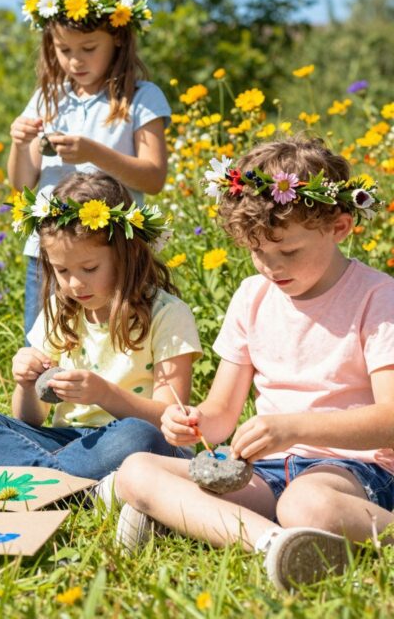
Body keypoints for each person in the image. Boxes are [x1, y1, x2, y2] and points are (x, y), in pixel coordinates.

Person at [112, 138, 392, 592]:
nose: (270, 267)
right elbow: (222, 412)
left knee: (307, 504)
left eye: (289, 252)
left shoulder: (378, 298)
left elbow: (390, 421)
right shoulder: (252, 296)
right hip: (265, 469)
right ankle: (274, 545)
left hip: (350, 473)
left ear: (340, 227)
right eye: (256, 251)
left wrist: (292, 428)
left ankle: (206, 522)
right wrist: (194, 420)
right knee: (135, 470)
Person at [0, 172, 199, 481]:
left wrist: (105, 394)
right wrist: (27, 383)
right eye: (61, 270)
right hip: (70, 443)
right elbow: (30, 418)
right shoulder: (60, 310)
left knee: (137, 435)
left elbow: (168, 419)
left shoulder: (167, 314)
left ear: (127, 253)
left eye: (90, 268)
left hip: (129, 441)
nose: (75, 284)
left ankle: (43, 481)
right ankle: (71, 483)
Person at [12, 0, 169, 337]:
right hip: (51, 254)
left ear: (116, 37)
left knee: (119, 340)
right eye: (63, 50)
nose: (74, 62)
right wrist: (20, 145)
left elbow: (154, 177)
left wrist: (92, 152)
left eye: (88, 49)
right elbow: (22, 185)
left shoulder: (141, 97)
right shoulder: (47, 99)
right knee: (44, 346)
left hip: (112, 253)